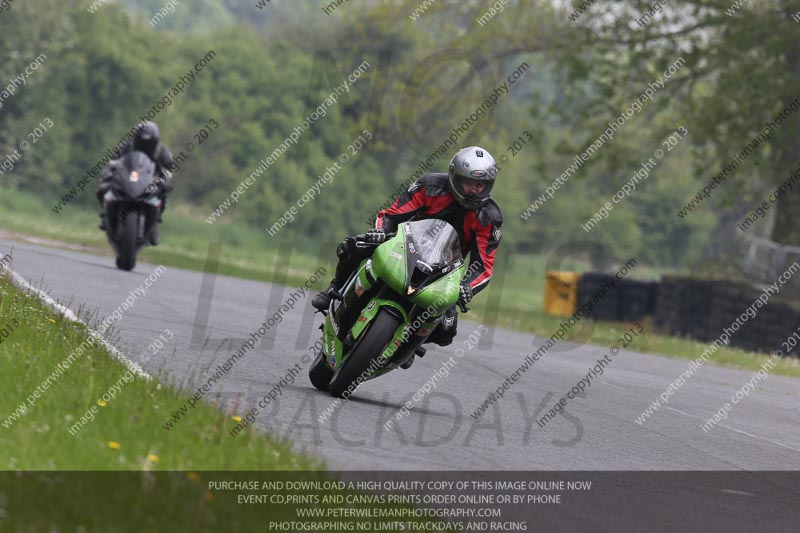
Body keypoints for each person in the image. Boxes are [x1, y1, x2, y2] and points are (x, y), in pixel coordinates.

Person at [312, 145, 503, 350]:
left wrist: (466, 288)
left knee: (447, 330)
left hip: (445, 269)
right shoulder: (430, 185)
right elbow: (392, 214)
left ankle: (410, 344)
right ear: (455, 177)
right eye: (469, 183)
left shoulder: (490, 218)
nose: (475, 190)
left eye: (481, 185)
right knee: (353, 246)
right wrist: (381, 231)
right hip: (404, 245)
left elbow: (483, 266)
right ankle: (335, 287)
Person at [97, 121, 174, 245]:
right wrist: (110, 170)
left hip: (150, 181)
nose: (144, 145)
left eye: (148, 142)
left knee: (164, 194)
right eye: (142, 141)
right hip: (127, 178)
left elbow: (169, 168)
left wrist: (166, 178)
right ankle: (105, 213)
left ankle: (154, 224)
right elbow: (113, 161)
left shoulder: (162, 151)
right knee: (104, 185)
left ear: (154, 140)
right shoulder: (125, 146)